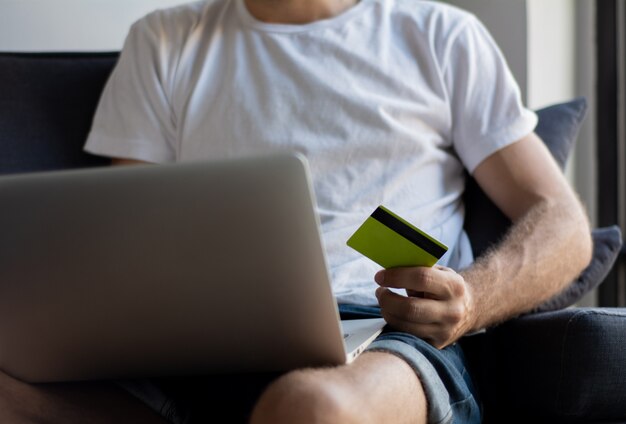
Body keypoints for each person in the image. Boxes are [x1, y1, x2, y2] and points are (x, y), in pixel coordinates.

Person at [0, 0, 592, 423]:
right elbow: (122, 236)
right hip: (196, 346)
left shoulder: (440, 35)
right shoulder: (165, 38)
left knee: (311, 410)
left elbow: (563, 224)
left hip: (384, 337)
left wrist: (470, 300)